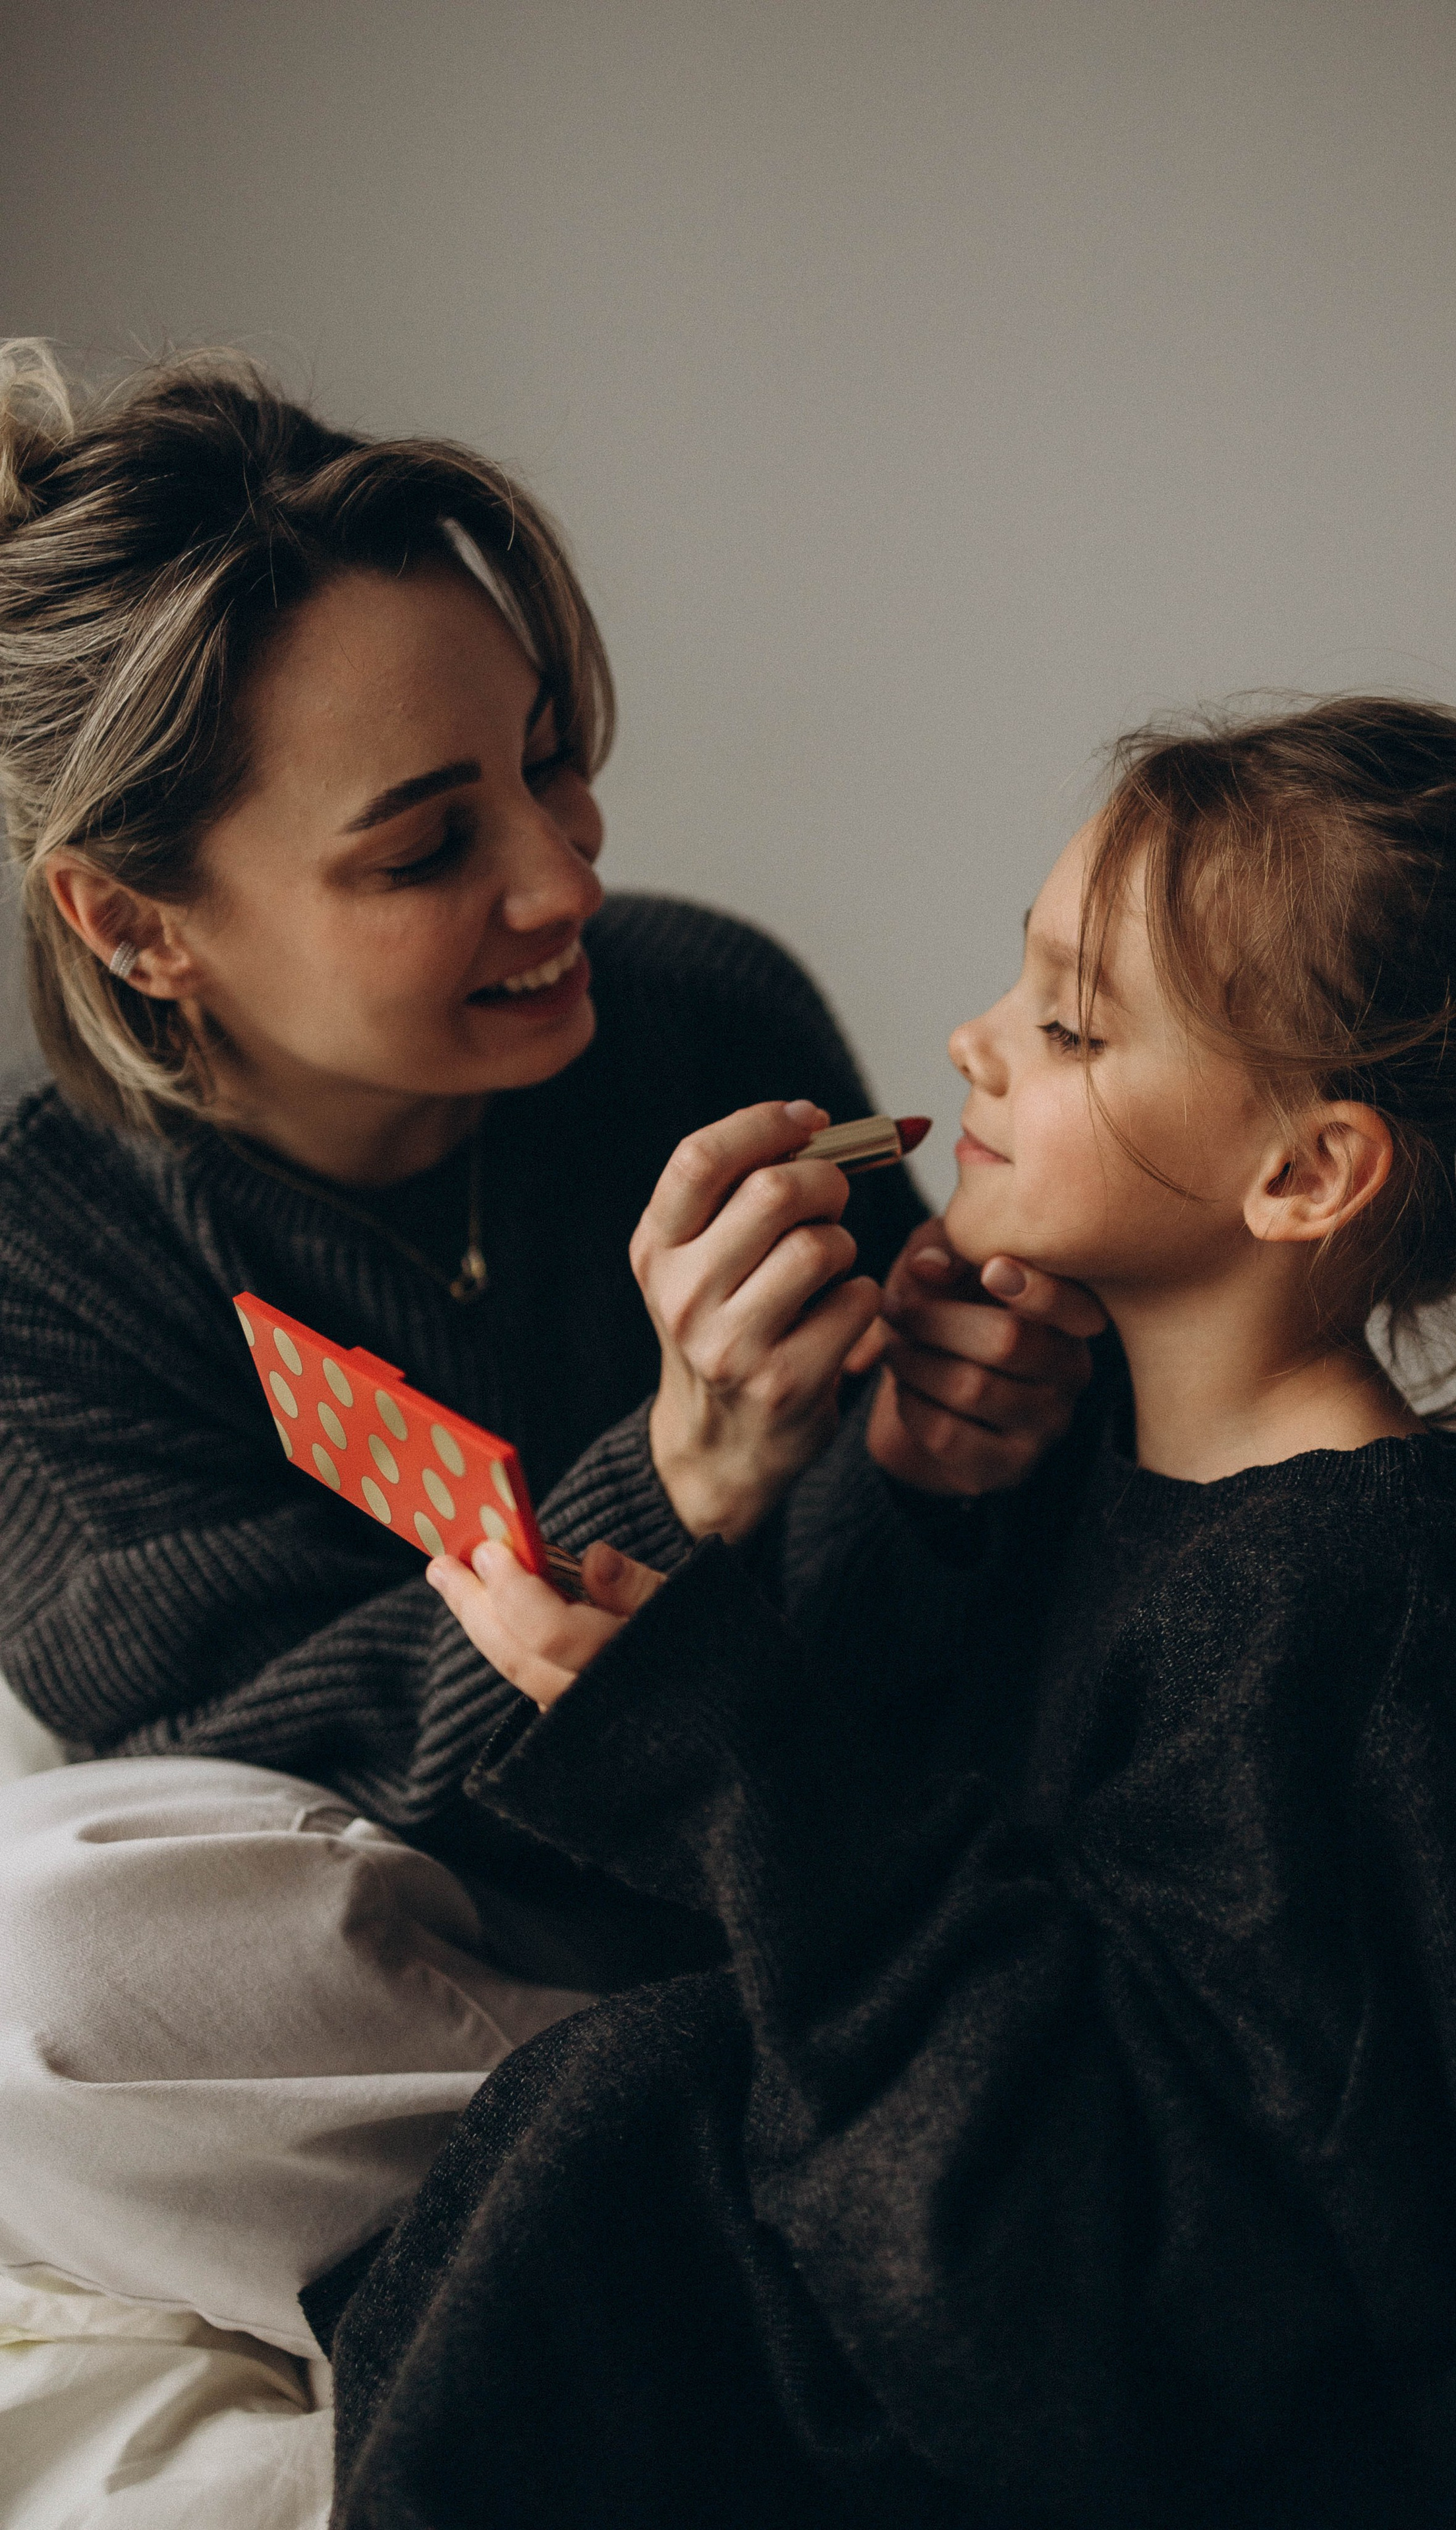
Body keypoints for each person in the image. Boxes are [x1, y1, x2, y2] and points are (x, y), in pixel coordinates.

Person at [321, 698, 1456, 2527]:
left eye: (1068, 1024)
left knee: (624, 2123)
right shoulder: (1135, 1461)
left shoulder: (1355, 1614)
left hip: (1136, 2389)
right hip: (980, 2261)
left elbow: (1156, 2268)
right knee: (604, 2117)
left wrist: (718, 1742)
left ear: (1304, 1173)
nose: (971, 1043)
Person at [0, 343, 1103, 2350]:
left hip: (811, 1840)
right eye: (428, 848)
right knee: (43, 1962)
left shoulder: (693, 1008)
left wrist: (951, 1460)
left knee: (1410, 1657)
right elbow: (259, 1771)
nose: (566, 877)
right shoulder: (43, 1260)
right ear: (134, 924)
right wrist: (673, 1485)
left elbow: (904, 1647)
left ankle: (799, 2147)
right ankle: (855, 2150)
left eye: (550, 756)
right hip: (457, 1936)